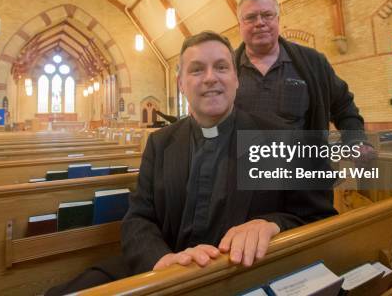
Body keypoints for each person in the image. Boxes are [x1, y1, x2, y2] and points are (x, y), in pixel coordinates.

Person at [45, 31, 336, 295]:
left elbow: (319, 217)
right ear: (181, 83)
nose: (211, 77)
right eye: (197, 70)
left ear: (236, 79)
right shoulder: (160, 143)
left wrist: (272, 224)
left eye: (221, 67)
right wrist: (160, 259)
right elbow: (139, 218)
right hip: (163, 272)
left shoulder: (285, 139)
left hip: (241, 276)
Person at [233, 0, 371, 154]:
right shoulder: (225, 68)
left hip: (302, 171)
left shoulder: (313, 62)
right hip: (244, 173)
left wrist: (355, 140)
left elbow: (343, 104)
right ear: (239, 25)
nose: (260, 22)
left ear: (278, 19)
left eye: (267, 15)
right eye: (250, 17)